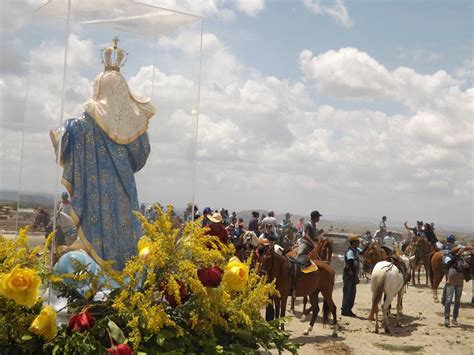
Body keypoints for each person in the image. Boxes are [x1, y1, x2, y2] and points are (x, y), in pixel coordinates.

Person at [49, 38, 155, 270]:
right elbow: (141, 157)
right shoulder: (134, 124)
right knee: (126, 241)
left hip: (93, 193)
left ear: (99, 88)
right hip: (125, 191)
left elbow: (62, 138)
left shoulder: (81, 125)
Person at [444, 246, 465, 327]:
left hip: (459, 281)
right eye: (458, 250)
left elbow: (464, 266)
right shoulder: (448, 257)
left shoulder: (462, 259)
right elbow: (448, 265)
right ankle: (446, 319)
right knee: (448, 300)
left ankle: (454, 318)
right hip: (451, 281)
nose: (460, 252)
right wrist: (457, 256)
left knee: (457, 301)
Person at [342, 235, 360, 317]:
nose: (359, 243)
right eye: (357, 242)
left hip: (352, 275)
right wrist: (355, 275)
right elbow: (351, 262)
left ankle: (348, 309)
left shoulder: (356, 250)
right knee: (348, 292)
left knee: (352, 293)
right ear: (353, 243)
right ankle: (345, 310)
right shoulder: (350, 252)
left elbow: (363, 252)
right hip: (349, 275)